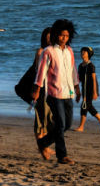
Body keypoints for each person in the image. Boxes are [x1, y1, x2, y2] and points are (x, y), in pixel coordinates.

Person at [32, 18, 79, 164]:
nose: (64, 38)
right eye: (61, 35)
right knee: (60, 124)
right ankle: (62, 155)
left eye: (66, 36)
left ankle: (43, 142)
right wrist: (37, 89)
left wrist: (77, 87)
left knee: (67, 125)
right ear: (55, 35)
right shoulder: (49, 51)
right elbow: (41, 71)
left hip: (68, 93)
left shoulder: (69, 51)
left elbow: (73, 71)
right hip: (54, 93)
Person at [75, 46, 100, 133]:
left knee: (85, 105)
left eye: (84, 52)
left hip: (91, 88)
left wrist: (95, 92)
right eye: (82, 52)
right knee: (88, 106)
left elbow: (93, 79)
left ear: (88, 54)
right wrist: (77, 89)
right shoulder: (80, 66)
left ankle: (81, 126)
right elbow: (79, 79)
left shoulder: (91, 65)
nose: (82, 53)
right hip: (84, 88)